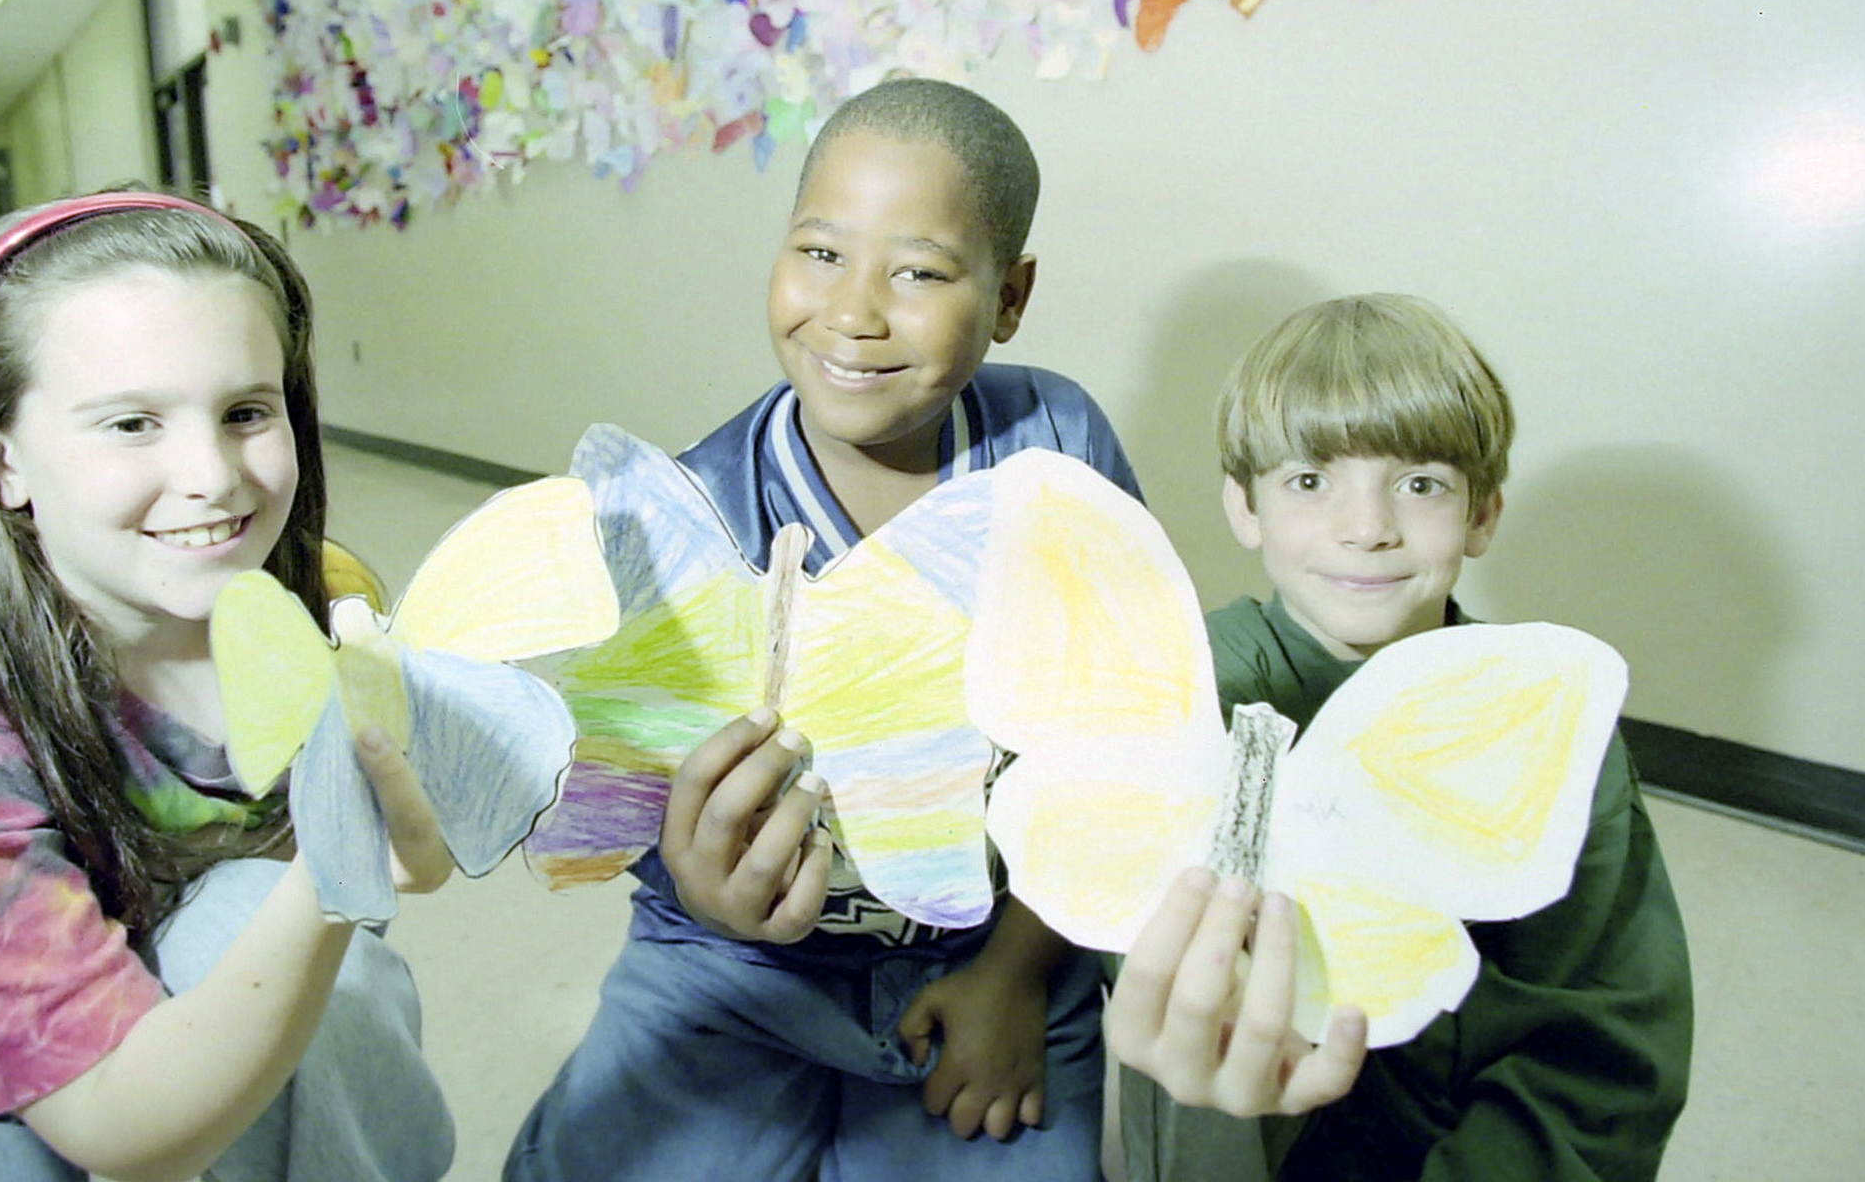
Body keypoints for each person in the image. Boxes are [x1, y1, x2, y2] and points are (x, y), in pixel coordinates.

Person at [506, 78, 1346, 1182]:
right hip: (728, 967)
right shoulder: (691, 519)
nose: (854, 312)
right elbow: (631, 792)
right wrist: (700, 886)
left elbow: (1127, 753)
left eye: (918, 272)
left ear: (1010, 296)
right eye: (820, 252)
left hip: (996, 949)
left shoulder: (1059, 450)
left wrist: (1014, 975)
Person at [0, 192, 458, 1182]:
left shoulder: (309, 601)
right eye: (131, 422)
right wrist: (336, 867)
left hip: (113, 1003)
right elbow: (115, 1127)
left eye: (245, 412)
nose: (211, 477)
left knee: (255, 921)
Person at [1116, 292, 1694, 1182]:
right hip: (1244, 1119)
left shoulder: (1547, 722)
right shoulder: (1187, 694)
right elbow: (1124, 920)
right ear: (1246, 506)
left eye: (1420, 484)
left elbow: (1602, 1040)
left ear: (1482, 514)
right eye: (1310, 481)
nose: (1367, 529)